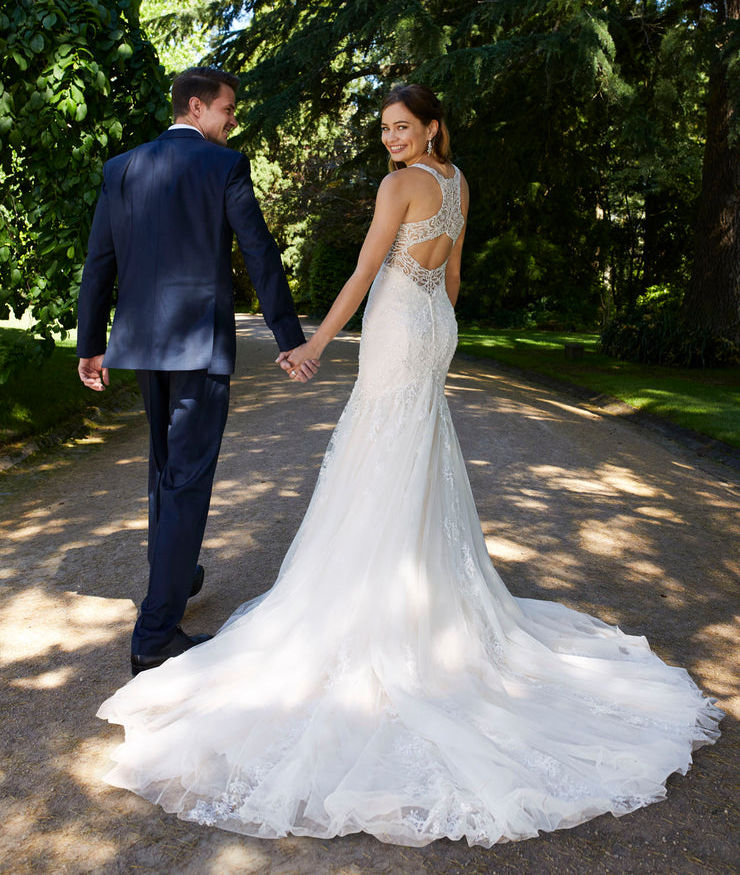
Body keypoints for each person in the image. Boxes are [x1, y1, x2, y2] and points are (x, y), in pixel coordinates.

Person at [96, 84, 721, 848]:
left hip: (397, 318)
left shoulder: (400, 184)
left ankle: (362, 606)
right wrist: (439, 332)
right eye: (385, 130)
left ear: (432, 127)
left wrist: (314, 344)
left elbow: (362, 274)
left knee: (372, 451)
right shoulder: (458, 183)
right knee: (414, 450)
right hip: (433, 324)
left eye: (402, 127)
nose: (390, 140)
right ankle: (411, 595)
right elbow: (452, 272)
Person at [77, 66, 317, 678]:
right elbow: (259, 253)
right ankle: (155, 634)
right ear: (196, 106)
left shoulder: (121, 168)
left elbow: (99, 263)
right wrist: (289, 338)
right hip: (199, 348)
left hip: (141, 347)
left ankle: (177, 577)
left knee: (164, 470)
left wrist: (90, 345)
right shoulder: (224, 166)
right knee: (186, 480)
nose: (233, 118)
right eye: (227, 108)